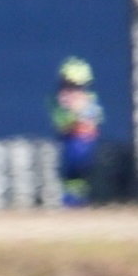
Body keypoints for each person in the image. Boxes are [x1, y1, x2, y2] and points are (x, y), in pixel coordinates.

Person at [50, 57, 102, 207]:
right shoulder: (58, 102)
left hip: (85, 143)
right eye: (66, 85)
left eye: (74, 86)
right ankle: (71, 201)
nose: (70, 90)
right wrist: (70, 113)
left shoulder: (90, 100)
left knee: (82, 175)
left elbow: (94, 123)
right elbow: (61, 124)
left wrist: (81, 112)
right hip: (70, 142)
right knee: (70, 175)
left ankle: (80, 200)